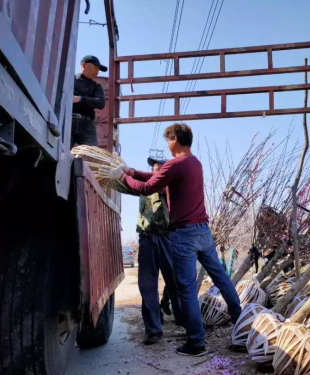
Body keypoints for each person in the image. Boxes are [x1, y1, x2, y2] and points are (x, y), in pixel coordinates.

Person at [100, 123, 241, 357]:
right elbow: (155, 178)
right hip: (203, 232)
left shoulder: (175, 164)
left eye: (168, 140)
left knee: (186, 290)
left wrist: (122, 177)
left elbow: (147, 187)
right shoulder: (194, 163)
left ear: (174, 138)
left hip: (184, 236)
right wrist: (130, 170)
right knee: (221, 278)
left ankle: (196, 343)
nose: (167, 144)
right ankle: (241, 323)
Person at [136, 156, 185, 345]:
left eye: (159, 166)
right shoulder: (144, 184)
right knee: (148, 286)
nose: (155, 168)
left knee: (175, 281)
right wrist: (113, 174)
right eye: (153, 166)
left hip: (167, 237)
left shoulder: (169, 184)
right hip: (147, 238)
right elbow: (126, 185)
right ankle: (153, 330)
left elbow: (159, 186)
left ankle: (183, 320)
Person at [71, 55, 107, 149]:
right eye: (95, 67)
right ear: (84, 64)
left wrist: (80, 99)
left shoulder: (96, 87)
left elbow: (101, 103)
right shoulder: (69, 80)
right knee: (59, 151)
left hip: (86, 124)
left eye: (98, 69)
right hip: (68, 121)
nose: (97, 72)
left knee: (92, 155)